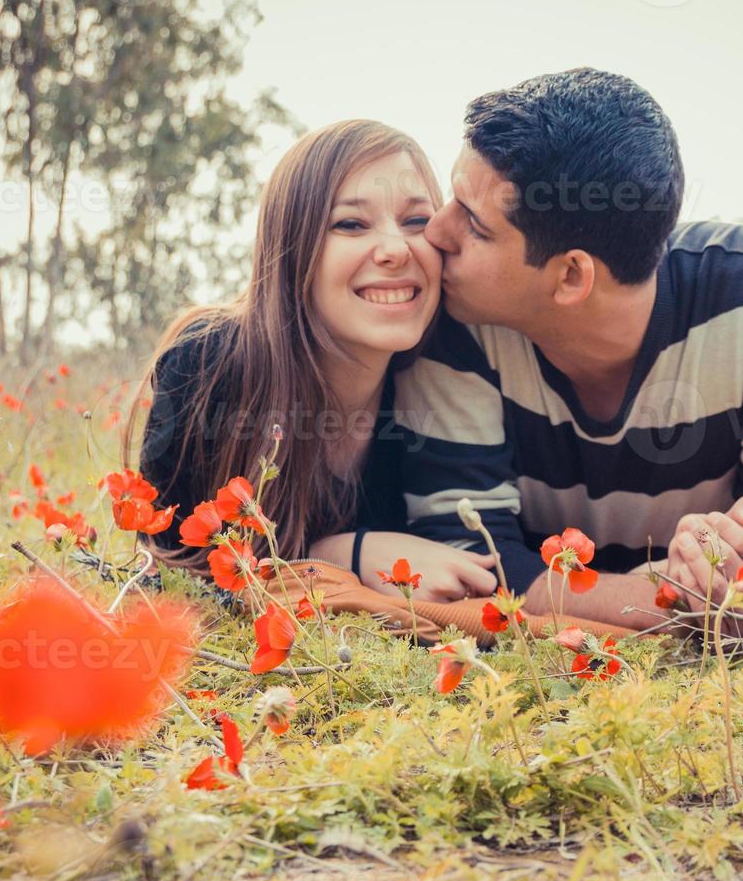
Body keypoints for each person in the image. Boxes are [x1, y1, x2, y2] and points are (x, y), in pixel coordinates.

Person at [393, 68, 743, 630]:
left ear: (570, 277)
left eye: (473, 223)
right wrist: (685, 590)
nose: (433, 234)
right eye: (454, 198)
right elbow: (472, 572)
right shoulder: (455, 310)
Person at [131, 120, 500, 602]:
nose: (396, 249)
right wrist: (345, 554)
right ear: (292, 248)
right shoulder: (207, 367)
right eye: (350, 224)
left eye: (415, 222)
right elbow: (168, 575)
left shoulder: (446, 375)